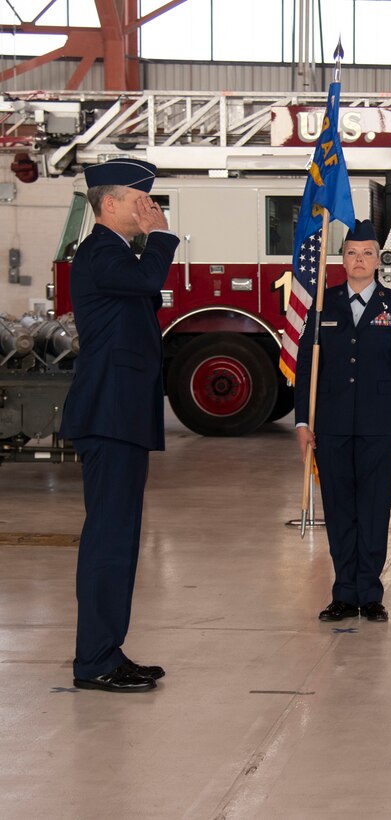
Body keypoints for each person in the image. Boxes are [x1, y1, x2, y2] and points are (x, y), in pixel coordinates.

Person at [60, 158, 180, 692]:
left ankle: (107, 649)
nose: (149, 210)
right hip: (109, 414)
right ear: (109, 204)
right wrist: (162, 236)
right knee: (109, 540)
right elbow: (149, 278)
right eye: (140, 200)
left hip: (122, 415)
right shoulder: (100, 252)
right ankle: (94, 661)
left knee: (121, 539)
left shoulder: (113, 254)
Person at [294, 219, 391, 623]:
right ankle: (344, 592)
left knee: (374, 508)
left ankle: (371, 591)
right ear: (342, 259)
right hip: (330, 427)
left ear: (377, 260)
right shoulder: (322, 305)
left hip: (381, 427)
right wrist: (301, 422)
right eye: (351, 253)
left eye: (366, 253)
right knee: (340, 509)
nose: (359, 260)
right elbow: (306, 369)